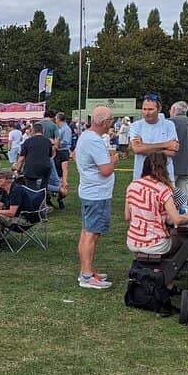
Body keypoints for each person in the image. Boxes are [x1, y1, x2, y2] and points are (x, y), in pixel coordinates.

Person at [76, 106, 118, 289]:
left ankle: (87, 270)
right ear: (105, 122)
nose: (112, 124)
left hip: (89, 191)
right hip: (97, 194)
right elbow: (106, 170)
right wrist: (114, 160)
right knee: (91, 234)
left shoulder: (85, 136)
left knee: (87, 232)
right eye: (111, 121)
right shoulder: (94, 140)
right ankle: (86, 276)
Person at [124, 152, 188, 256]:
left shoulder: (132, 186)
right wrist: (187, 218)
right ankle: (162, 268)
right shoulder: (163, 189)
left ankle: (152, 267)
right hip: (155, 243)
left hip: (133, 241)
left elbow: (127, 217)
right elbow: (176, 220)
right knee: (183, 239)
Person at [0, 169, 40, 251]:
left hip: (23, 220)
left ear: (4, 179)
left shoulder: (16, 190)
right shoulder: (5, 191)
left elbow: (11, 213)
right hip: (14, 217)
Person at [129, 94, 178, 184]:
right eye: (144, 109)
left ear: (159, 109)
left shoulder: (169, 125)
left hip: (165, 177)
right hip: (141, 177)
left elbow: (172, 152)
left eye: (150, 109)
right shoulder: (135, 126)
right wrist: (166, 145)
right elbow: (136, 149)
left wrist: (144, 147)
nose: (146, 113)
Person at [16, 122, 53, 191]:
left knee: (31, 187)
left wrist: (17, 169)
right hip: (45, 167)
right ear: (43, 131)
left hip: (31, 168)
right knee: (44, 187)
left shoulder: (27, 141)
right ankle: (43, 198)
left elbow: (21, 158)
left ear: (33, 131)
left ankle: (33, 198)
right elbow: (50, 155)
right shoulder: (48, 141)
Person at [54, 112, 73, 187]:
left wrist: (56, 143)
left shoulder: (66, 129)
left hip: (63, 151)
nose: (55, 120)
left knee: (63, 170)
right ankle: (60, 185)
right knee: (58, 170)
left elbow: (66, 141)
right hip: (59, 151)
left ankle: (63, 184)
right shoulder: (60, 128)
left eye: (56, 118)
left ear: (59, 119)